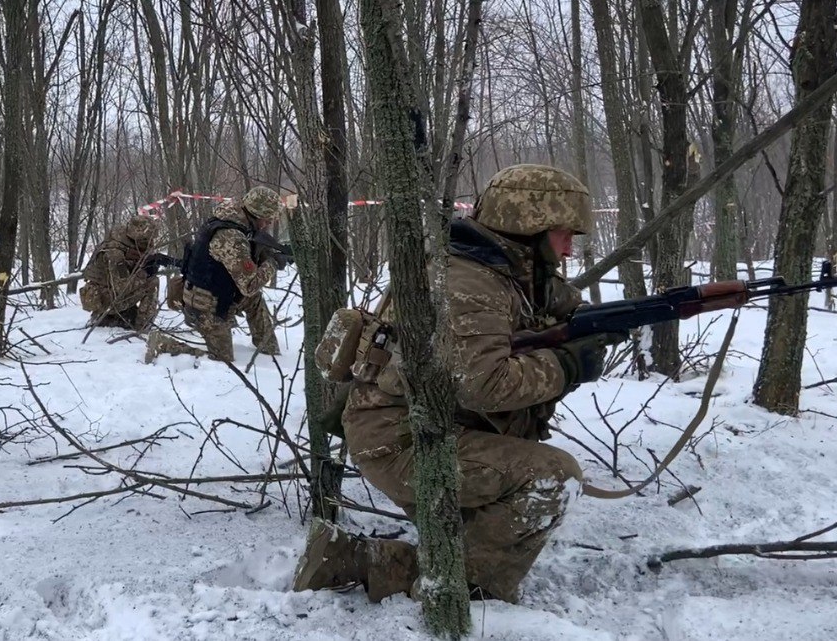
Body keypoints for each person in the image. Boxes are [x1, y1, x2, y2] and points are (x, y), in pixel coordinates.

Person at [293, 163, 625, 604]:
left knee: (483, 532)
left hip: (432, 428)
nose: (568, 249)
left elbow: (563, 311)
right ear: (530, 226)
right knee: (552, 477)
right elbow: (486, 385)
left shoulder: (512, 272)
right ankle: (464, 594)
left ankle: (353, 559)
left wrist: (606, 325)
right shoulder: (468, 282)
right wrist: (566, 366)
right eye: (565, 233)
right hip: (402, 441)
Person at [145, 186, 286, 363]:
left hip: (220, 294)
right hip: (206, 306)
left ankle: (269, 350)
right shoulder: (231, 235)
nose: (269, 223)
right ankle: (164, 345)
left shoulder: (234, 220)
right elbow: (249, 285)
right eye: (268, 218)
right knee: (221, 361)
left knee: (254, 300)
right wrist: (273, 263)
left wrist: (265, 255)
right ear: (257, 213)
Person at [78, 215, 168, 332]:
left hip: (104, 295)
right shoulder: (115, 253)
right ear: (136, 238)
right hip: (106, 300)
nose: (150, 243)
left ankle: (126, 315)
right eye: (146, 240)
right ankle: (143, 327)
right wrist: (145, 272)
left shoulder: (120, 242)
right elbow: (122, 289)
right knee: (152, 282)